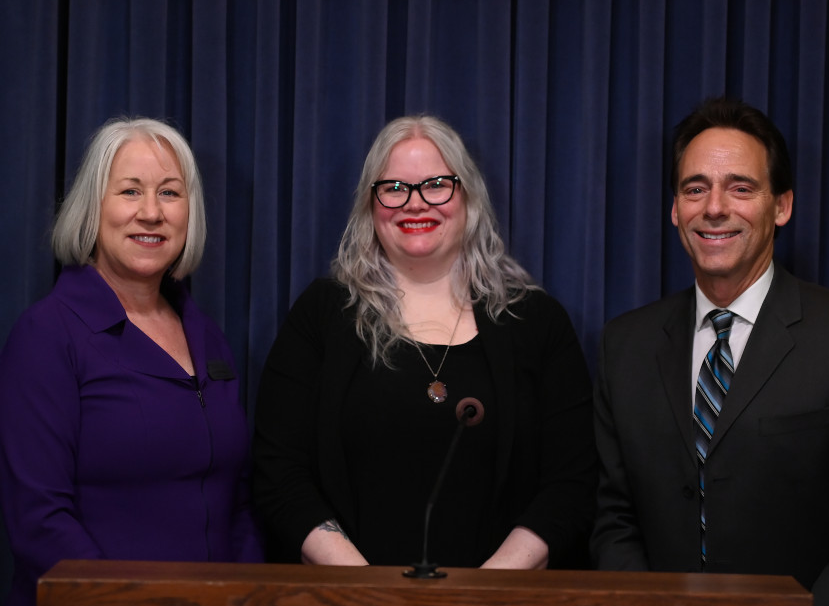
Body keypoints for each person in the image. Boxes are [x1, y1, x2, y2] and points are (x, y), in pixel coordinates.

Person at [592, 97, 829, 606]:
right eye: (695, 188)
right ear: (675, 209)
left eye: (740, 188)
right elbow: (613, 516)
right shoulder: (624, 345)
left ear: (782, 206)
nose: (715, 207)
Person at [252, 115, 596, 570]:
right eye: (394, 188)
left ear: (468, 196)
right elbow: (279, 471)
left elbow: (571, 482)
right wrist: (366, 592)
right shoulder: (321, 315)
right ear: (370, 205)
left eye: (436, 185)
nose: (414, 204)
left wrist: (490, 593)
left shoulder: (537, 322)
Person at [0, 118, 261, 606]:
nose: (151, 213)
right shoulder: (46, 336)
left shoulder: (207, 337)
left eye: (170, 193)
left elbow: (236, 502)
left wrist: (242, 600)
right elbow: (40, 521)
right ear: (93, 207)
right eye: (130, 191)